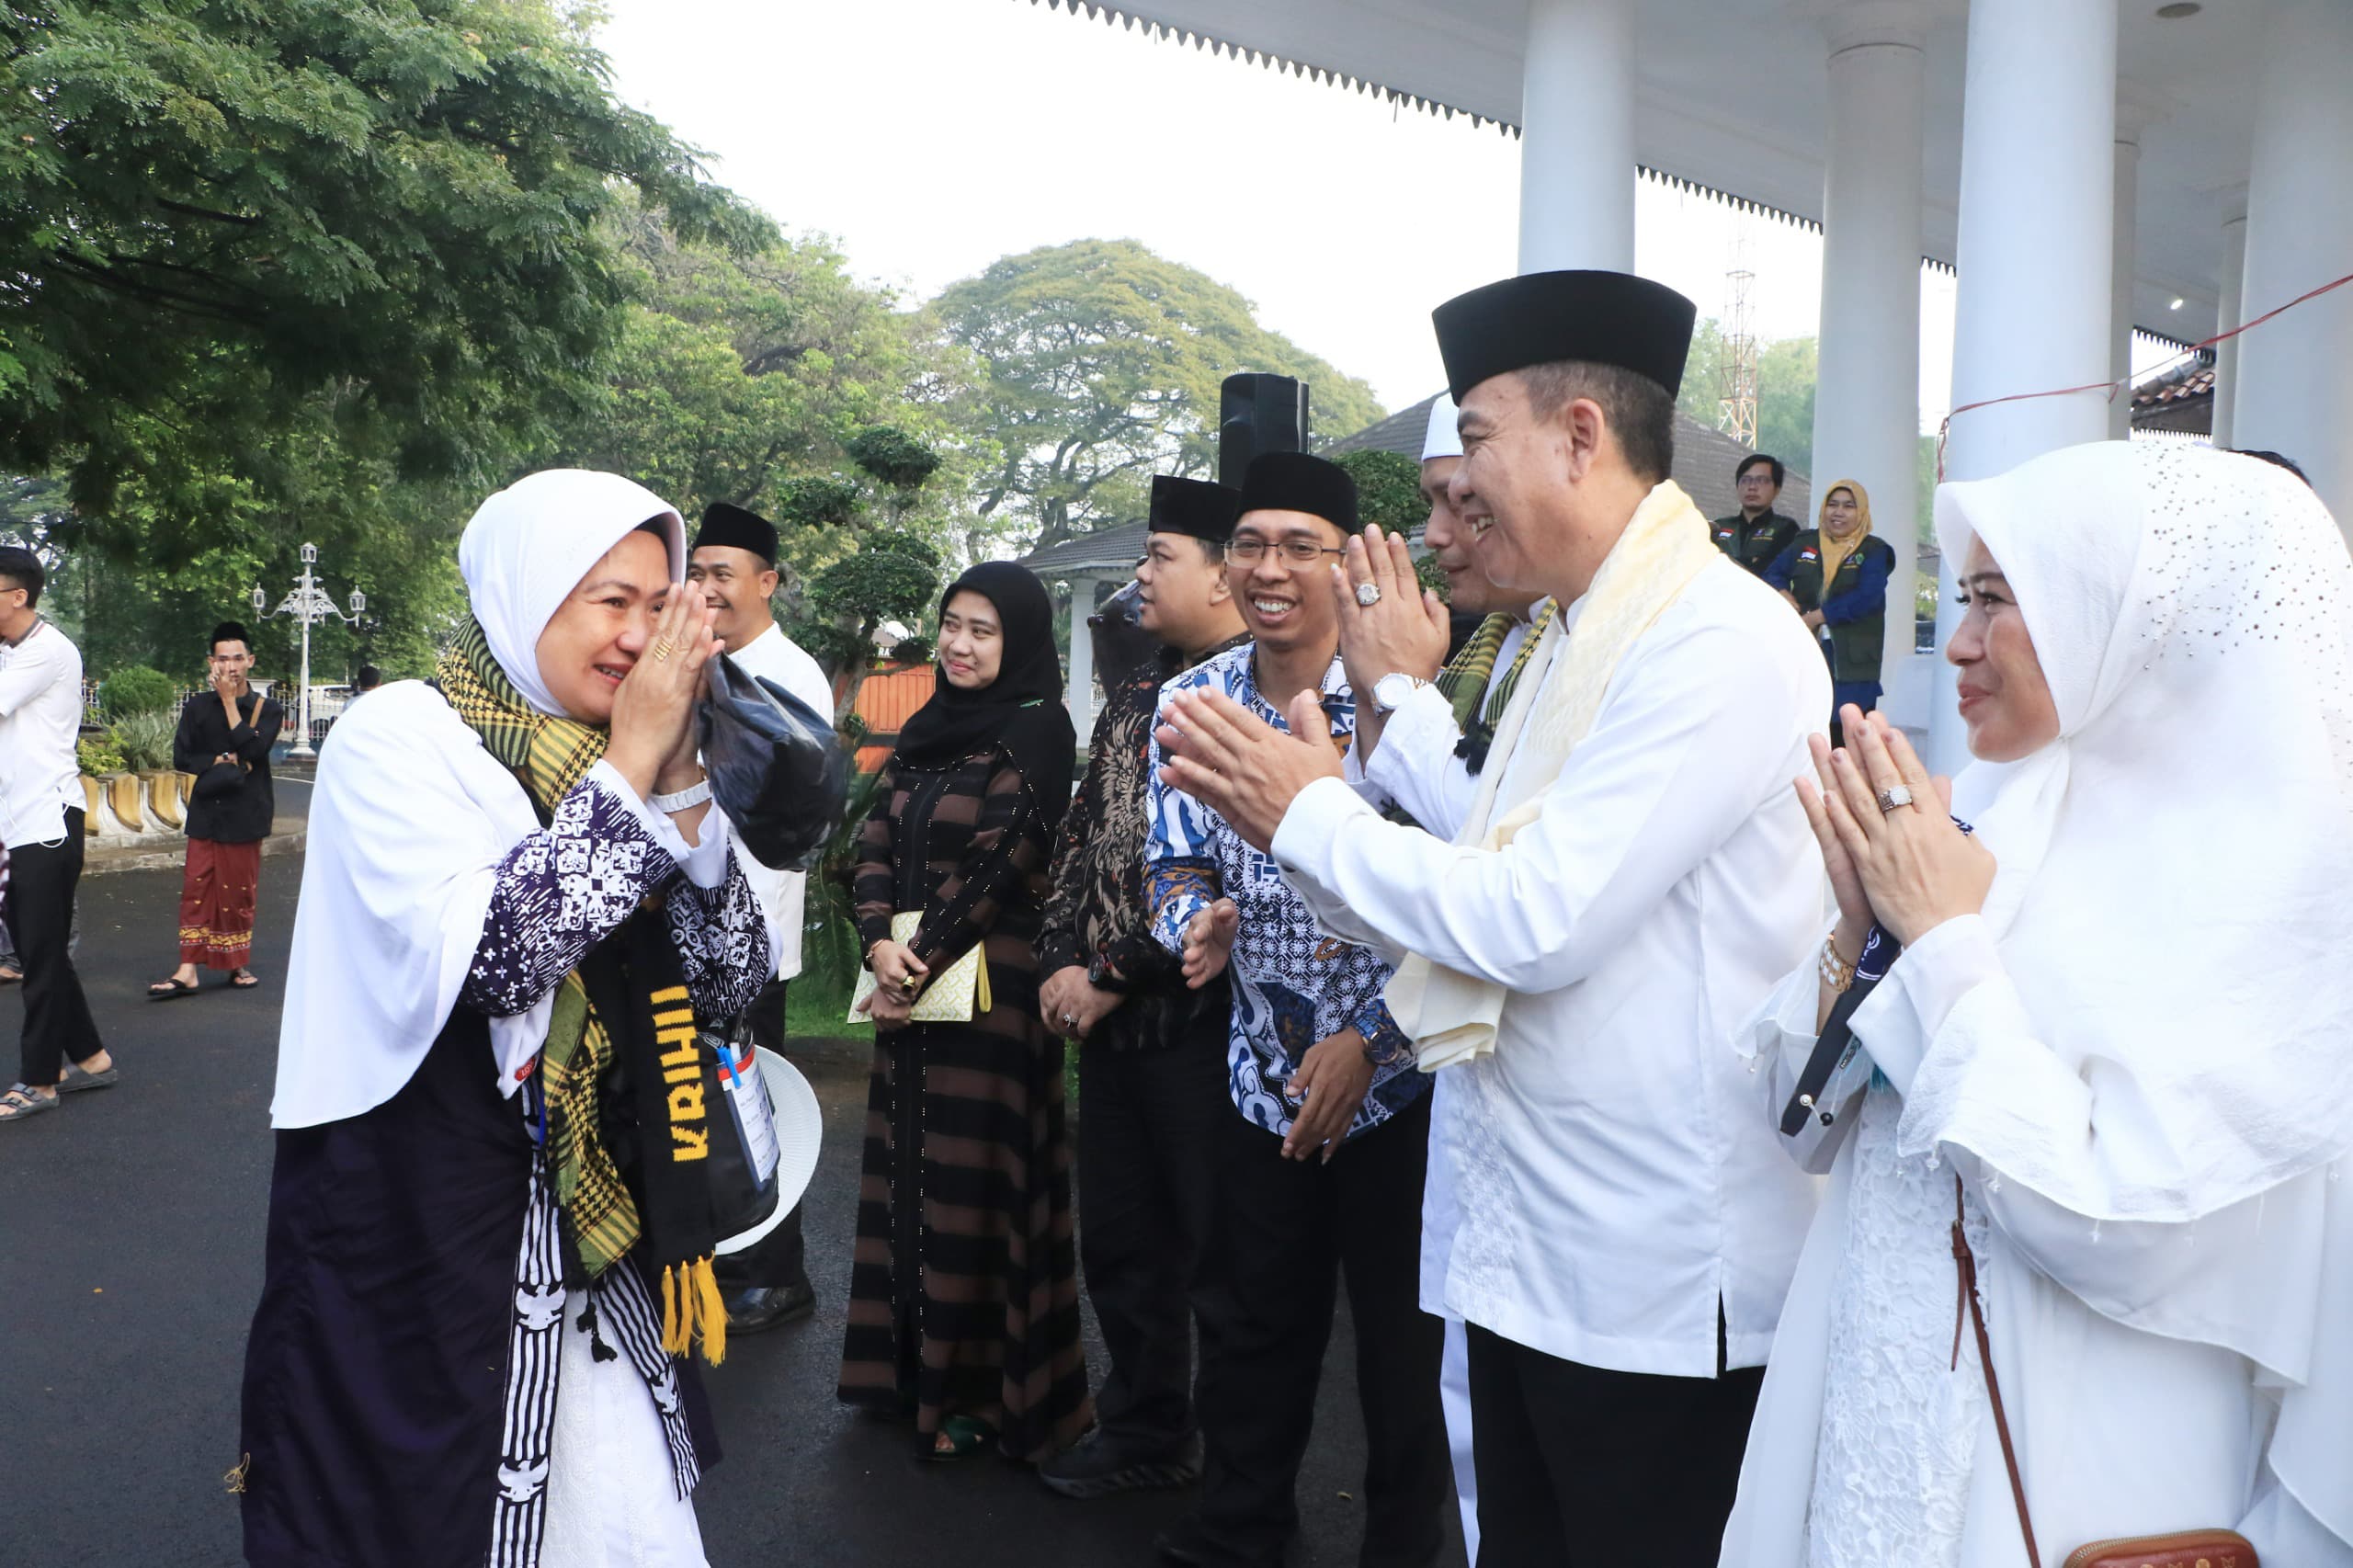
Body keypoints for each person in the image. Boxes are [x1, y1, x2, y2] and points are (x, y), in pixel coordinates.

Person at [1154, 270, 1828, 1567]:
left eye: (1474, 439)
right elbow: (1476, 854)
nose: (1453, 494)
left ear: (1579, 434)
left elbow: (1532, 918)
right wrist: (1308, 815)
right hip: (1532, 1247)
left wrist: (1310, 815)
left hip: (1651, 1280)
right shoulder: (1566, 639)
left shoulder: (1712, 641)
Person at [1720, 442, 2353, 1567]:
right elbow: (1799, 1121)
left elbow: (2116, 1226)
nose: (1956, 641)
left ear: (2139, 625)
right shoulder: (1993, 823)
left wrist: (1945, 945)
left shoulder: (2278, 918)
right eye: (1962, 598)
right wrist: (1861, 941)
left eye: (2000, 601)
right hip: (1868, 1439)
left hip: (2069, 1484)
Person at [239, 470, 778, 1567]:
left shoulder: (624, 759)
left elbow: (730, 985)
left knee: (620, 1513)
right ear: (523, 592)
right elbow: (501, 955)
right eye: (607, 599)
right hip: (419, 1200)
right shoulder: (403, 735)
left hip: (598, 1215)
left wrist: (683, 796)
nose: (638, 636)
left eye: (657, 603)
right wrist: (634, 770)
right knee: (419, 1502)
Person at [1144, 451, 1449, 1568]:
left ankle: (1405, 1547)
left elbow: (1462, 903)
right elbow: (1168, 860)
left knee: (1403, 1349)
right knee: (1246, 1322)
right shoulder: (1190, 700)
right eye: (1251, 545)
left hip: (1399, 1081)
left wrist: (1369, 1043)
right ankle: (1242, 1528)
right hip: (1255, 1077)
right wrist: (1195, 920)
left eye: (1299, 546)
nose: (1271, 568)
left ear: (1346, 559)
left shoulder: (1410, 709)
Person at [1350, 393, 1548, 1565]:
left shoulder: (1595, 646)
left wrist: (1390, 698)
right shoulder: (1494, 641)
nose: (1435, 534)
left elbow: (1495, 875)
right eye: (1429, 502)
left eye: (1460, 503)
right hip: (1474, 1102)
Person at [835, 561, 1091, 1464]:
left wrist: (909, 966)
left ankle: (980, 1392)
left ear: (1017, 639)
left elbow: (1003, 857)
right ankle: (907, 1370)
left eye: (982, 629)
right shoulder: (925, 730)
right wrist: (876, 942)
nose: (959, 642)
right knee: (908, 1173)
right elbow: (873, 837)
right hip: (910, 978)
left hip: (991, 998)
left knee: (974, 1190)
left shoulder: (1038, 729)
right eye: (951, 623)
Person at [1034, 474, 1249, 1501]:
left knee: (1218, 1248)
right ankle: (1148, 1426)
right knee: (1120, 1237)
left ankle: (1240, 1456)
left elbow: (1226, 869)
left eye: (1159, 555)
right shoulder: (1133, 690)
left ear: (1223, 570)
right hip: (1110, 1020)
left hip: (1201, 1017)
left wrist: (1116, 974)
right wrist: (1058, 963)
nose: (1138, 575)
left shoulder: (1252, 691)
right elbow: (1083, 830)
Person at [687, 500, 835, 1335]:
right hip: (688, 926)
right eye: (698, 573)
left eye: (724, 575)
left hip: (747, 934)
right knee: (699, 1100)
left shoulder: (789, 676)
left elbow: (782, 824)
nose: (707, 589)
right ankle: (716, 1260)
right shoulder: (704, 660)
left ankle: (776, 1274)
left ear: (768, 583)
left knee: (752, 1105)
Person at [0, 545, 116, 1123]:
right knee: (37, 950)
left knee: (39, 960)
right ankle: (92, 1057)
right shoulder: (13, 651)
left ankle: (40, 1080)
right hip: (20, 824)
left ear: (17, 596)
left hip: (45, 824)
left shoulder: (46, 651)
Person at [150, 621, 284, 998]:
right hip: (207, 809)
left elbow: (256, 751)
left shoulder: (266, 709)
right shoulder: (196, 707)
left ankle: (236, 962)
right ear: (212, 662)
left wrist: (229, 702)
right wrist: (221, 758)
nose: (231, 667)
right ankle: (188, 967)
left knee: (237, 891)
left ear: (250, 661)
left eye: (238, 658)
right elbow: (182, 756)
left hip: (247, 812)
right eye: (223, 659)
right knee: (196, 887)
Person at [1764, 480, 1896, 745]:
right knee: (1805, 729)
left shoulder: (1874, 551)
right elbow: (1772, 573)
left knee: (1848, 735)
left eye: (1848, 506)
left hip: (1851, 662)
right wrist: (1784, 595)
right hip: (1807, 649)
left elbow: (1867, 598)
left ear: (1861, 513)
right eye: (1832, 505)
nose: (1838, 512)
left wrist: (1818, 616)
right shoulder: (1805, 543)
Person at [1711, 453, 1800, 576]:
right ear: (1737, 486)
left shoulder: (1786, 528)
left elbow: (1768, 570)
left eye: (1761, 480)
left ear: (1777, 489)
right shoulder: (1719, 526)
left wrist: (1726, 560)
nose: (1752, 487)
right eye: (1745, 480)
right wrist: (1750, 561)